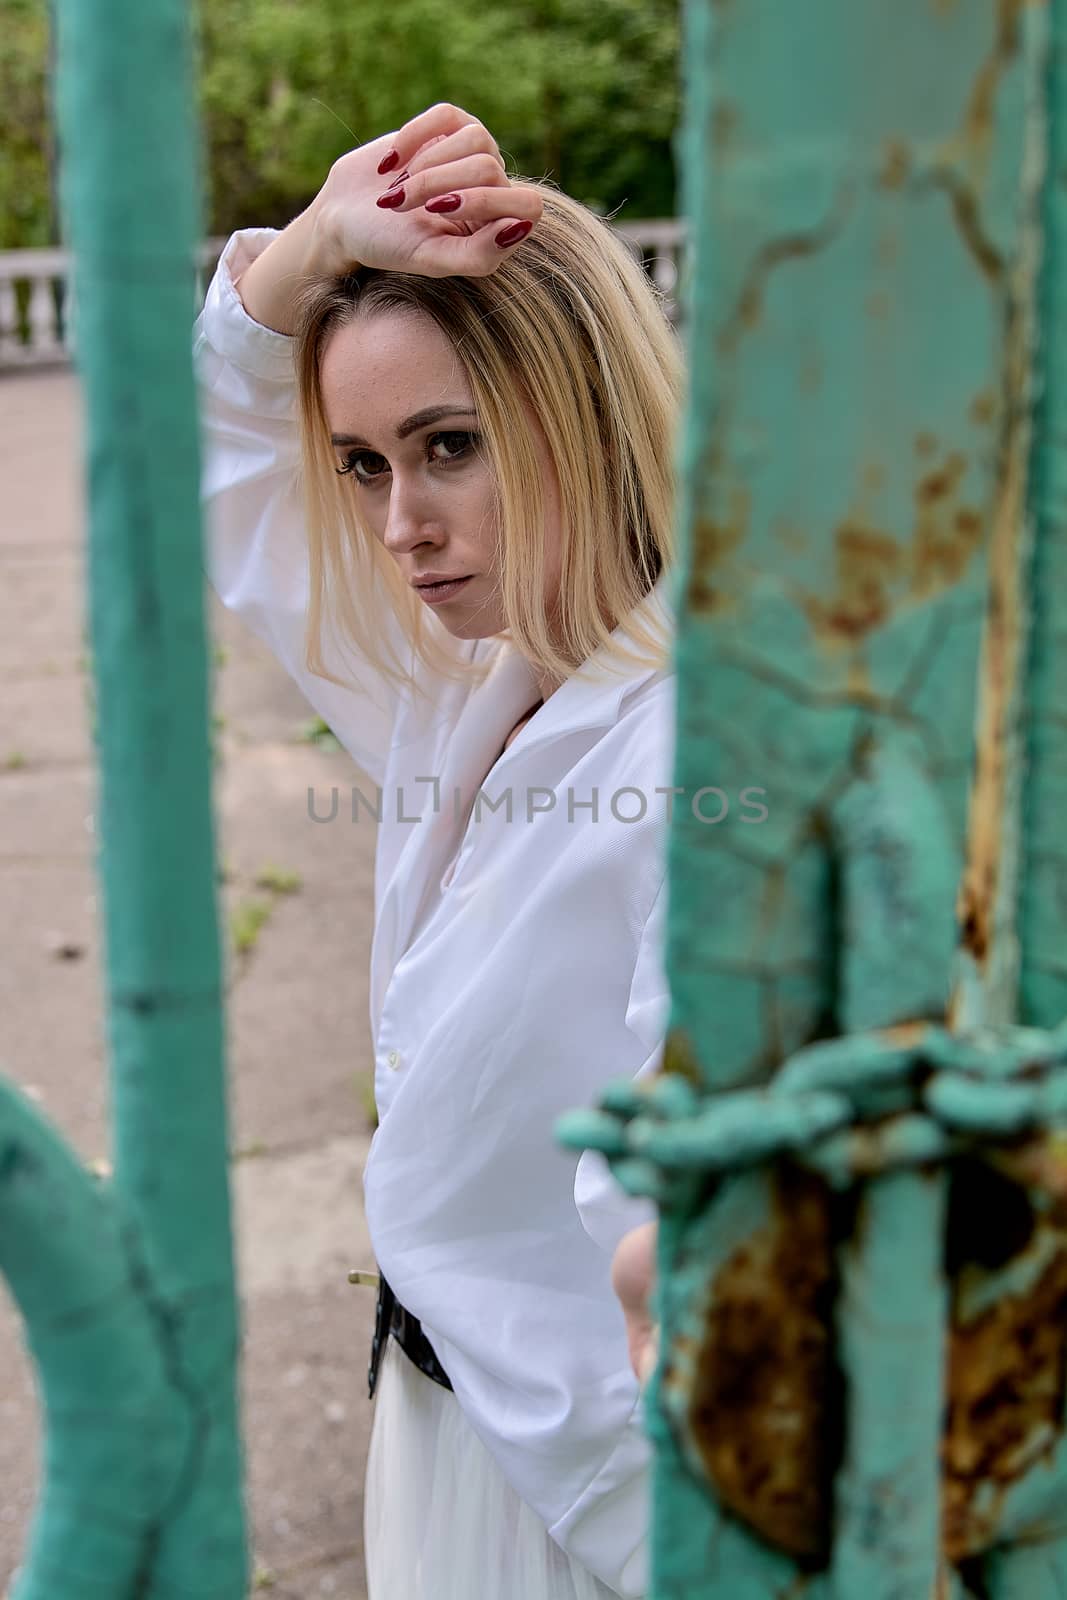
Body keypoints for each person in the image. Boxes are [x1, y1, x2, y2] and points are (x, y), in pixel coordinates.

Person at [193, 99, 682, 1600]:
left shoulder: (701, 754)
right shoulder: (463, 686)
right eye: (361, 465)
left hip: (599, 1500)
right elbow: (210, 449)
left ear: (585, 406)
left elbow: (690, 1225)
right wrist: (325, 244)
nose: (401, 526)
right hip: (435, 1425)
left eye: (448, 447)